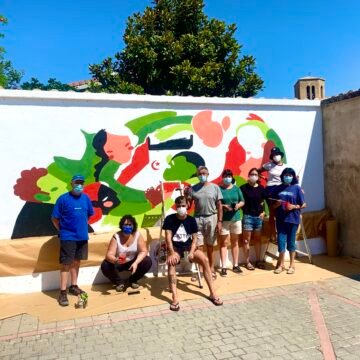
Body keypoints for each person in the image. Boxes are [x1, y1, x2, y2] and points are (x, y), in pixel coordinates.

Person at [163, 196, 223, 311]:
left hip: (189, 247)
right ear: (176, 207)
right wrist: (171, 253)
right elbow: (168, 238)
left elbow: (195, 239)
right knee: (171, 264)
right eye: (179, 206)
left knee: (205, 260)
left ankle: (213, 293)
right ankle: (175, 298)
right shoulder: (169, 219)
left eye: (183, 206)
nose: (181, 208)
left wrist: (191, 253)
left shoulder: (191, 220)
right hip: (175, 248)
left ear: (187, 207)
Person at [51, 174, 95, 307]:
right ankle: (63, 292)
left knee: (76, 262)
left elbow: (89, 215)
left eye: (81, 183)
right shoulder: (63, 199)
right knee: (66, 264)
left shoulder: (86, 198)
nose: (79, 185)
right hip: (68, 237)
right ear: (71, 183)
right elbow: (54, 218)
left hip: (82, 237)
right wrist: (62, 230)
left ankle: (73, 286)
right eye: (77, 182)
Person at [185, 166, 223, 280]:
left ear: (208, 173)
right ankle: (201, 271)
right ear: (197, 175)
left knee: (210, 246)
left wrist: (220, 221)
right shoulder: (193, 189)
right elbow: (187, 206)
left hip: (212, 217)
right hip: (197, 219)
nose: (202, 175)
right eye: (200, 173)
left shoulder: (215, 187)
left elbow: (219, 205)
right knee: (199, 246)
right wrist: (185, 195)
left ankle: (211, 269)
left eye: (204, 173)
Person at [101, 215, 152, 291]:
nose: (127, 227)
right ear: (121, 226)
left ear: (133, 226)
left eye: (130, 225)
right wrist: (115, 260)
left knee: (147, 261)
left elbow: (143, 251)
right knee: (105, 265)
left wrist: (136, 263)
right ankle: (119, 283)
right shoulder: (116, 236)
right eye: (125, 224)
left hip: (132, 261)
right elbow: (109, 255)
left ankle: (133, 280)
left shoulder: (137, 235)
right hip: (120, 262)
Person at [270, 168, 306, 274]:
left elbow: (303, 204)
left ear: (293, 177)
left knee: (291, 242)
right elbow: (272, 205)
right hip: (280, 220)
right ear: (282, 176)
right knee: (281, 242)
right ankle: (281, 265)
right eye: (286, 175)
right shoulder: (277, 188)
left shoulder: (297, 188)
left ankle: (292, 265)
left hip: (293, 219)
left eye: (290, 175)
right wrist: (277, 204)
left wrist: (293, 206)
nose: (287, 177)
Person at [218, 169, 245, 276]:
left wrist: (237, 206)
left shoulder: (236, 189)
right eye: (225, 176)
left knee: (235, 242)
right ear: (222, 177)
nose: (227, 178)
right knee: (223, 243)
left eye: (229, 176)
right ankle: (224, 266)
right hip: (224, 219)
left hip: (236, 218)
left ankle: (235, 265)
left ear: (232, 177)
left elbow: (242, 201)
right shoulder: (219, 189)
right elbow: (217, 203)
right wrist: (224, 206)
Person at [240, 168, 267, 269]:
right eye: (252, 174)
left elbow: (264, 201)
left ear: (258, 176)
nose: (254, 176)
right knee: (246, 240)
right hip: (248, 217)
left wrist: (264, 212)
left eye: (256, 174)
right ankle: (247, 262)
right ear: (248, 175)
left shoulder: (261, 188)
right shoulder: (243, 188)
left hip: (258, 217)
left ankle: (259, 260)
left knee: (257, 239)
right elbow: (240, 201)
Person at [259, 147, 287, 242]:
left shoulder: (285, 167)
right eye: (274, 155)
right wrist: (263, 178)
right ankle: (273, 234)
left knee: (282, 212)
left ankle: (282, 234)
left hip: (281, 190)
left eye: (277, 154)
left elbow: (290, 177)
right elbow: (258, 171)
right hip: (270, 189)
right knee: (272, 212)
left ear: (280, 155)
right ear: (272, 156)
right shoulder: (268, 165)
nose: (276, 156)